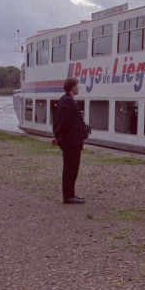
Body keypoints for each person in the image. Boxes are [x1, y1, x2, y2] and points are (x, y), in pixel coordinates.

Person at [51, 77, 86, 205]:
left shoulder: (65, 100)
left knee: (70, 168)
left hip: (71, 141)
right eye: (77, 85)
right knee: (71, 168)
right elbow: (65, 122)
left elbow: (64, 121)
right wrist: (57, 136)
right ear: (73, 87)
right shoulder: (68, 102)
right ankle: (69, 196)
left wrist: (58, 136)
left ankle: (70, 195)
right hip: (72, 142)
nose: (79, 87)